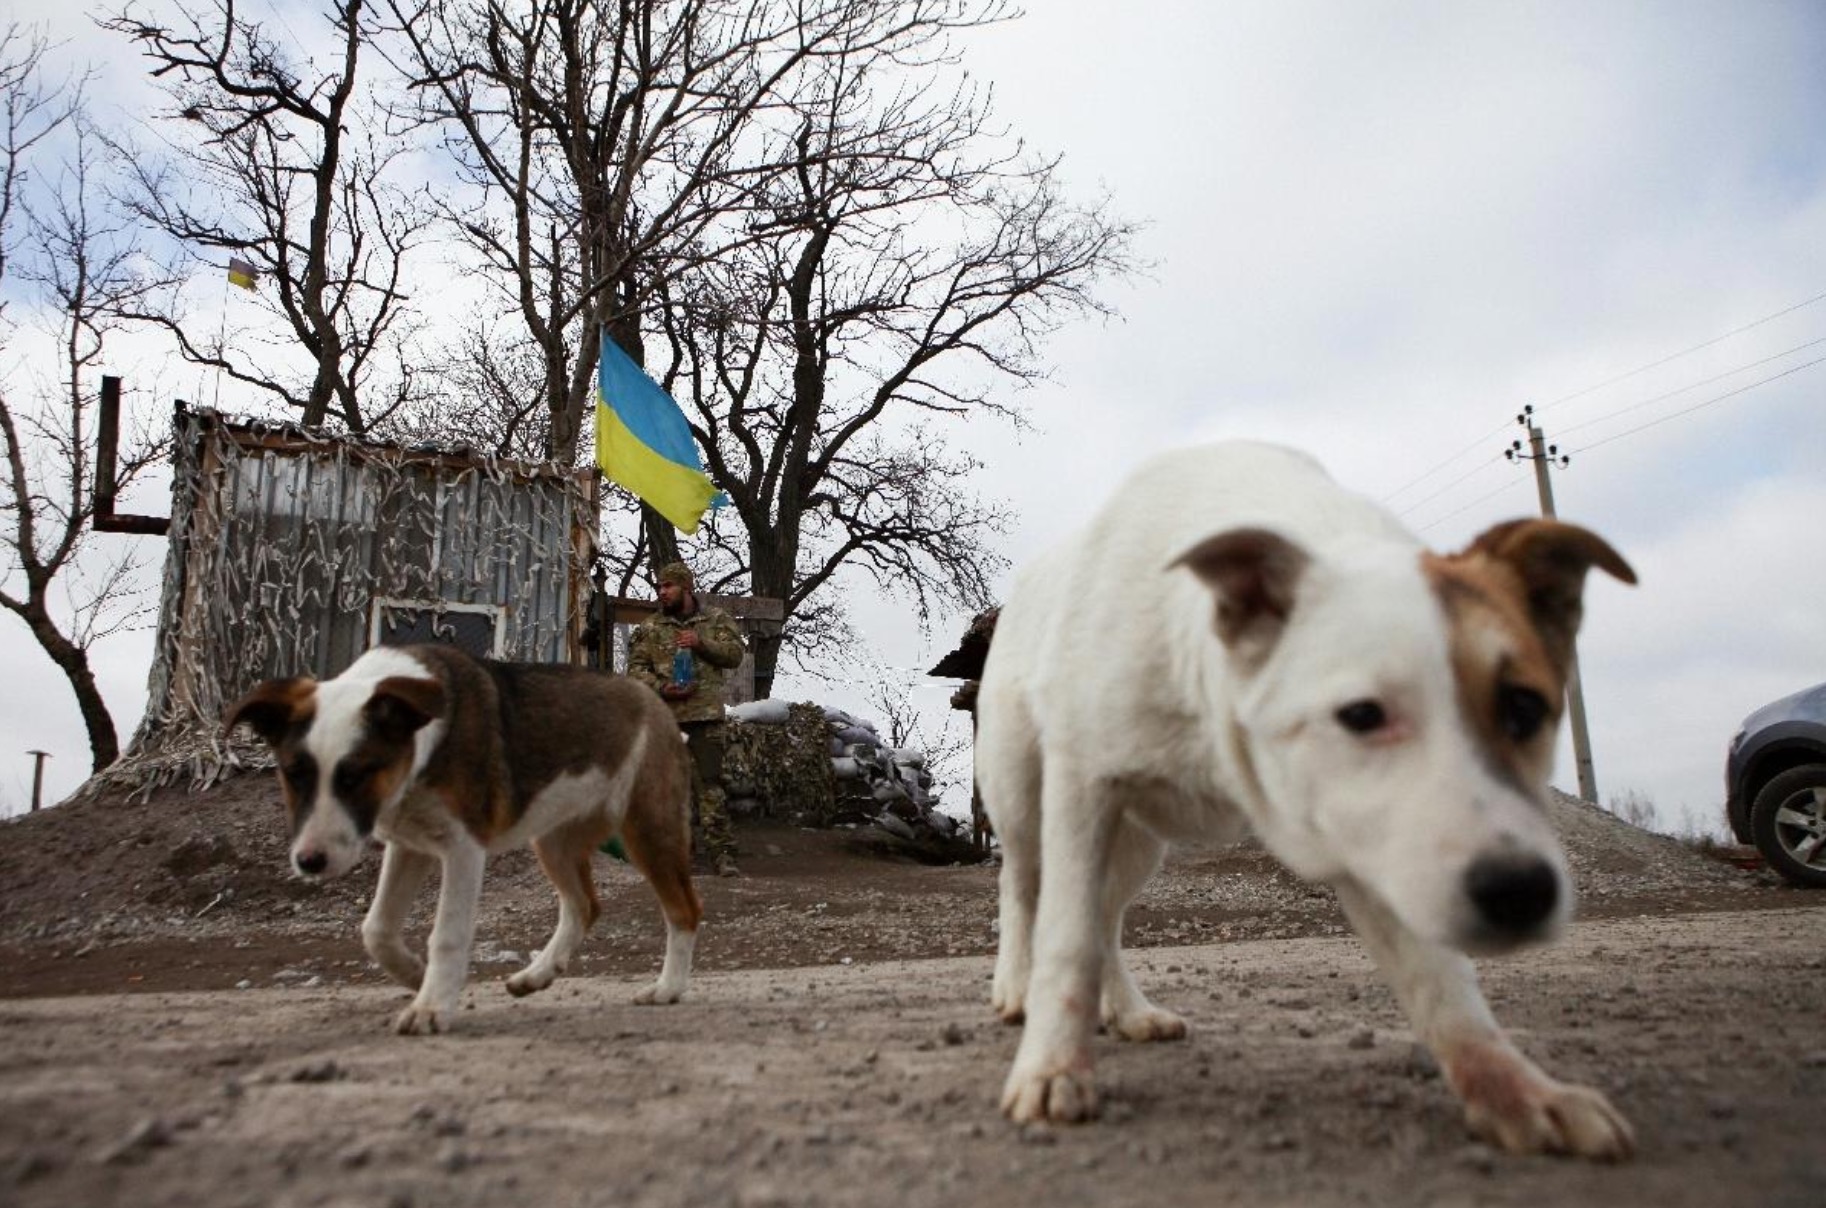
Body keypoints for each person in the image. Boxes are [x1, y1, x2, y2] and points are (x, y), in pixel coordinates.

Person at [627, 562, 748, 876]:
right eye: (659, 587)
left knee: (711, 787)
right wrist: (661, 688)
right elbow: (636, 671)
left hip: (705, 718)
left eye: (667, 586)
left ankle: (722, 855)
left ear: (686, 587)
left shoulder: (715, 619)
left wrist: (700, 643)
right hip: (666, 719)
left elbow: (735, 654)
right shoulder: (650, 627)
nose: (661, 592)